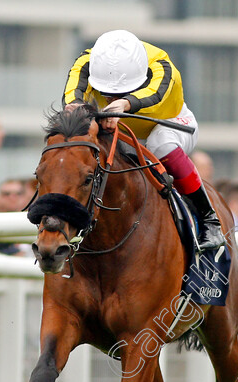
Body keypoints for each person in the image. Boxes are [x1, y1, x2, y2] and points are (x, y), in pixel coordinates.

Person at [62, 29, 224, 250]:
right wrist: (80, 110)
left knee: (161, 143)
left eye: (121, 92)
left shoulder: (163, 66)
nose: (111, 97)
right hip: (121, 130)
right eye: (106, 92)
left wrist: (124, 104)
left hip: (170, 124)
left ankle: (208, 218)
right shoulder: (86, 61)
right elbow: (72, 97)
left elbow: (155, 95)